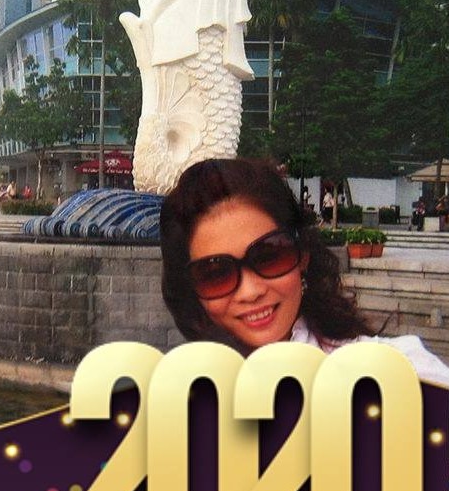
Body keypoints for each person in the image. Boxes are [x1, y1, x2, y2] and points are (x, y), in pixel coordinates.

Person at [160, 159, 449, 386]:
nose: (251, 291)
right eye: (215, 274)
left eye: (269, 256)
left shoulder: (400, 374)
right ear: (191, 292)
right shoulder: (179, 405)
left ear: (303, 256)